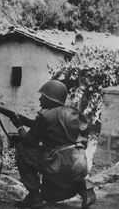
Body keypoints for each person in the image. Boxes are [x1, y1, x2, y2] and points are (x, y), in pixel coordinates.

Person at [10, 80, 96, 209]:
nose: (40, 99)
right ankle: (84, 188)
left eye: (43, 96)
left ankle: (34, 198)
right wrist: (27, 121)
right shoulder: (72, 112)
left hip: (59, 164)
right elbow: (54, 128)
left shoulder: (45, 116)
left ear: (51, 98)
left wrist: (19, 126)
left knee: (22, 148)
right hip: (79, 163)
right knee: (49, 196)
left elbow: (29, 140)